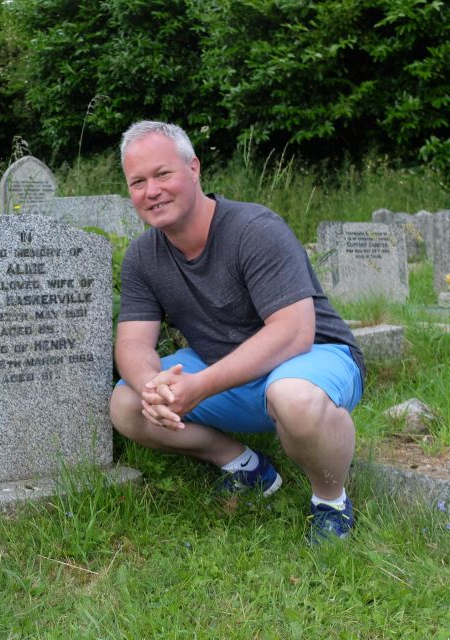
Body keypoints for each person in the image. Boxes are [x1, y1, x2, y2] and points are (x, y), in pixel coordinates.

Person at [110, 121, 365, 544]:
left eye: (162, 174)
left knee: (293, 397)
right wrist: (152, 386)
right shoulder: (143, 257)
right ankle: (247, 468)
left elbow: (294, 333)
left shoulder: (254, 229)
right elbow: (134, 342)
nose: (151, 190)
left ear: (193, 169)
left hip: (314, 359)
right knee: (126, 403)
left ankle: (330, 500)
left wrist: (201, 385)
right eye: (138, 182)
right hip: (226, 366)